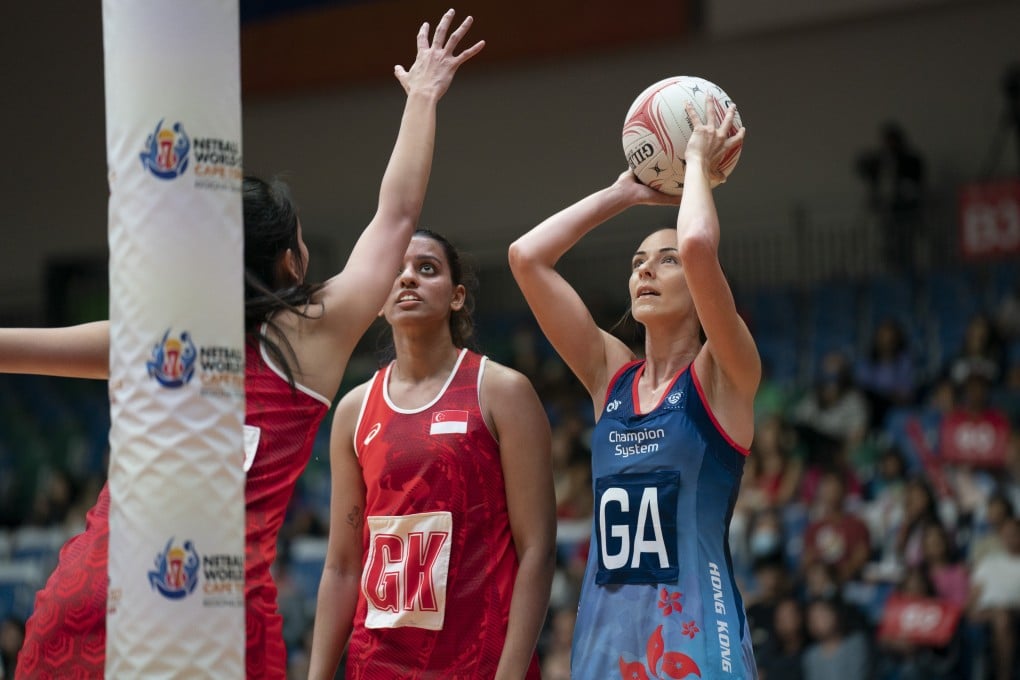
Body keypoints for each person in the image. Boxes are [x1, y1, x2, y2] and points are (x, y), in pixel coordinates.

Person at [0, 10, 483, 678]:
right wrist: (423, 96)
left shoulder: (158, 341)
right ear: (288, 260)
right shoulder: (310, 332)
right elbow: (397, 214)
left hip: (91, 600)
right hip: (214, 619)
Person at [509, 98, 758, 677]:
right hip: (606, 643)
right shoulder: (611, 376)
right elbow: (527, 258)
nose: (645, 269)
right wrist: (623, 194)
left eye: (665, 261)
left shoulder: (725, 373)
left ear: (702, 288)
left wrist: (697, 163)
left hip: (697, 644)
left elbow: (698, 246)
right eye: (637, 260)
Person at [307, 230, 556, 679]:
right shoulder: (353, 410)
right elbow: (342, 567)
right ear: (377, 300)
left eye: (426, 269)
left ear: (457, 296)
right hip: (376, 664)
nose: (408, 279)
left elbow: (537, 549)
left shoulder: (502, 391)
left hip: (477, 662)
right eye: (395, 271)